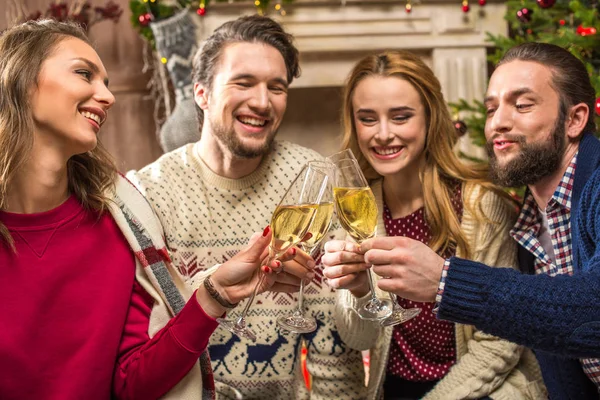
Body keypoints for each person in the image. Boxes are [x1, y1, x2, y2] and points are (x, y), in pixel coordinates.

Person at [0, 19, 306, 400]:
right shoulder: (151, 189)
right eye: (84, 74)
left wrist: (213, 296)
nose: (107, 96)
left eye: (107, 84)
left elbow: (133, 384)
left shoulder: (122, 223)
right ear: (21, 80)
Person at [128, 15, 367, 399]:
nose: (262, 101)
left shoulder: (316, 182)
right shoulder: (149, 193)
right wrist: (216, 284)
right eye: (244, 82)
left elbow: (341, 348)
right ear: (202, 93)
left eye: (277, 87)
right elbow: (140, 342)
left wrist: (361, 288)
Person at [356, 43, 600, 399]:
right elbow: (556, 343)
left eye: (522, 105)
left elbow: (593, 311)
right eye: (491, 108)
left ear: (575, 119)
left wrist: (446, 281)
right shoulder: (532, 220)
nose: (498, 122)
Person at [320, 50, 546, 400]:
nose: (382, 134)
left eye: (400, 117)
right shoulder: (356, 207)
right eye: (367, 118)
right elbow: (358, 338)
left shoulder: (480, 205)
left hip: (482, 389)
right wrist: (361, 291)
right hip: (395, 390)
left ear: (429, 118)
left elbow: (500, 342)